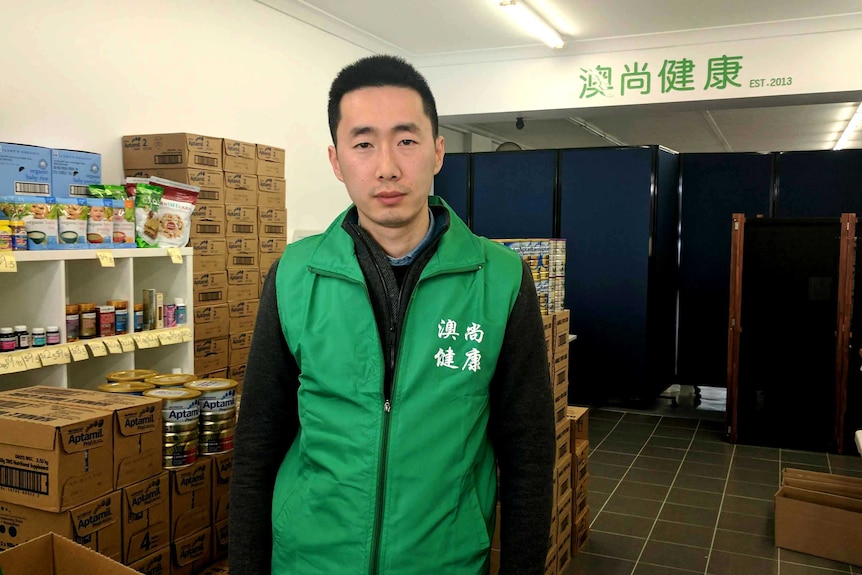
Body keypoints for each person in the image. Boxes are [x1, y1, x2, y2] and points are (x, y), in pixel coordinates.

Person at [230, 54, 555, 575]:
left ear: (437, 152)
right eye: (363, 144)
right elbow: (257, 447)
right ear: (336, 161)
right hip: (310, 560)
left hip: (442, 561)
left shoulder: (501, 281)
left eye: (406, 140)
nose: (387, 166)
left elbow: (529, 456)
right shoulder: (294, 276)